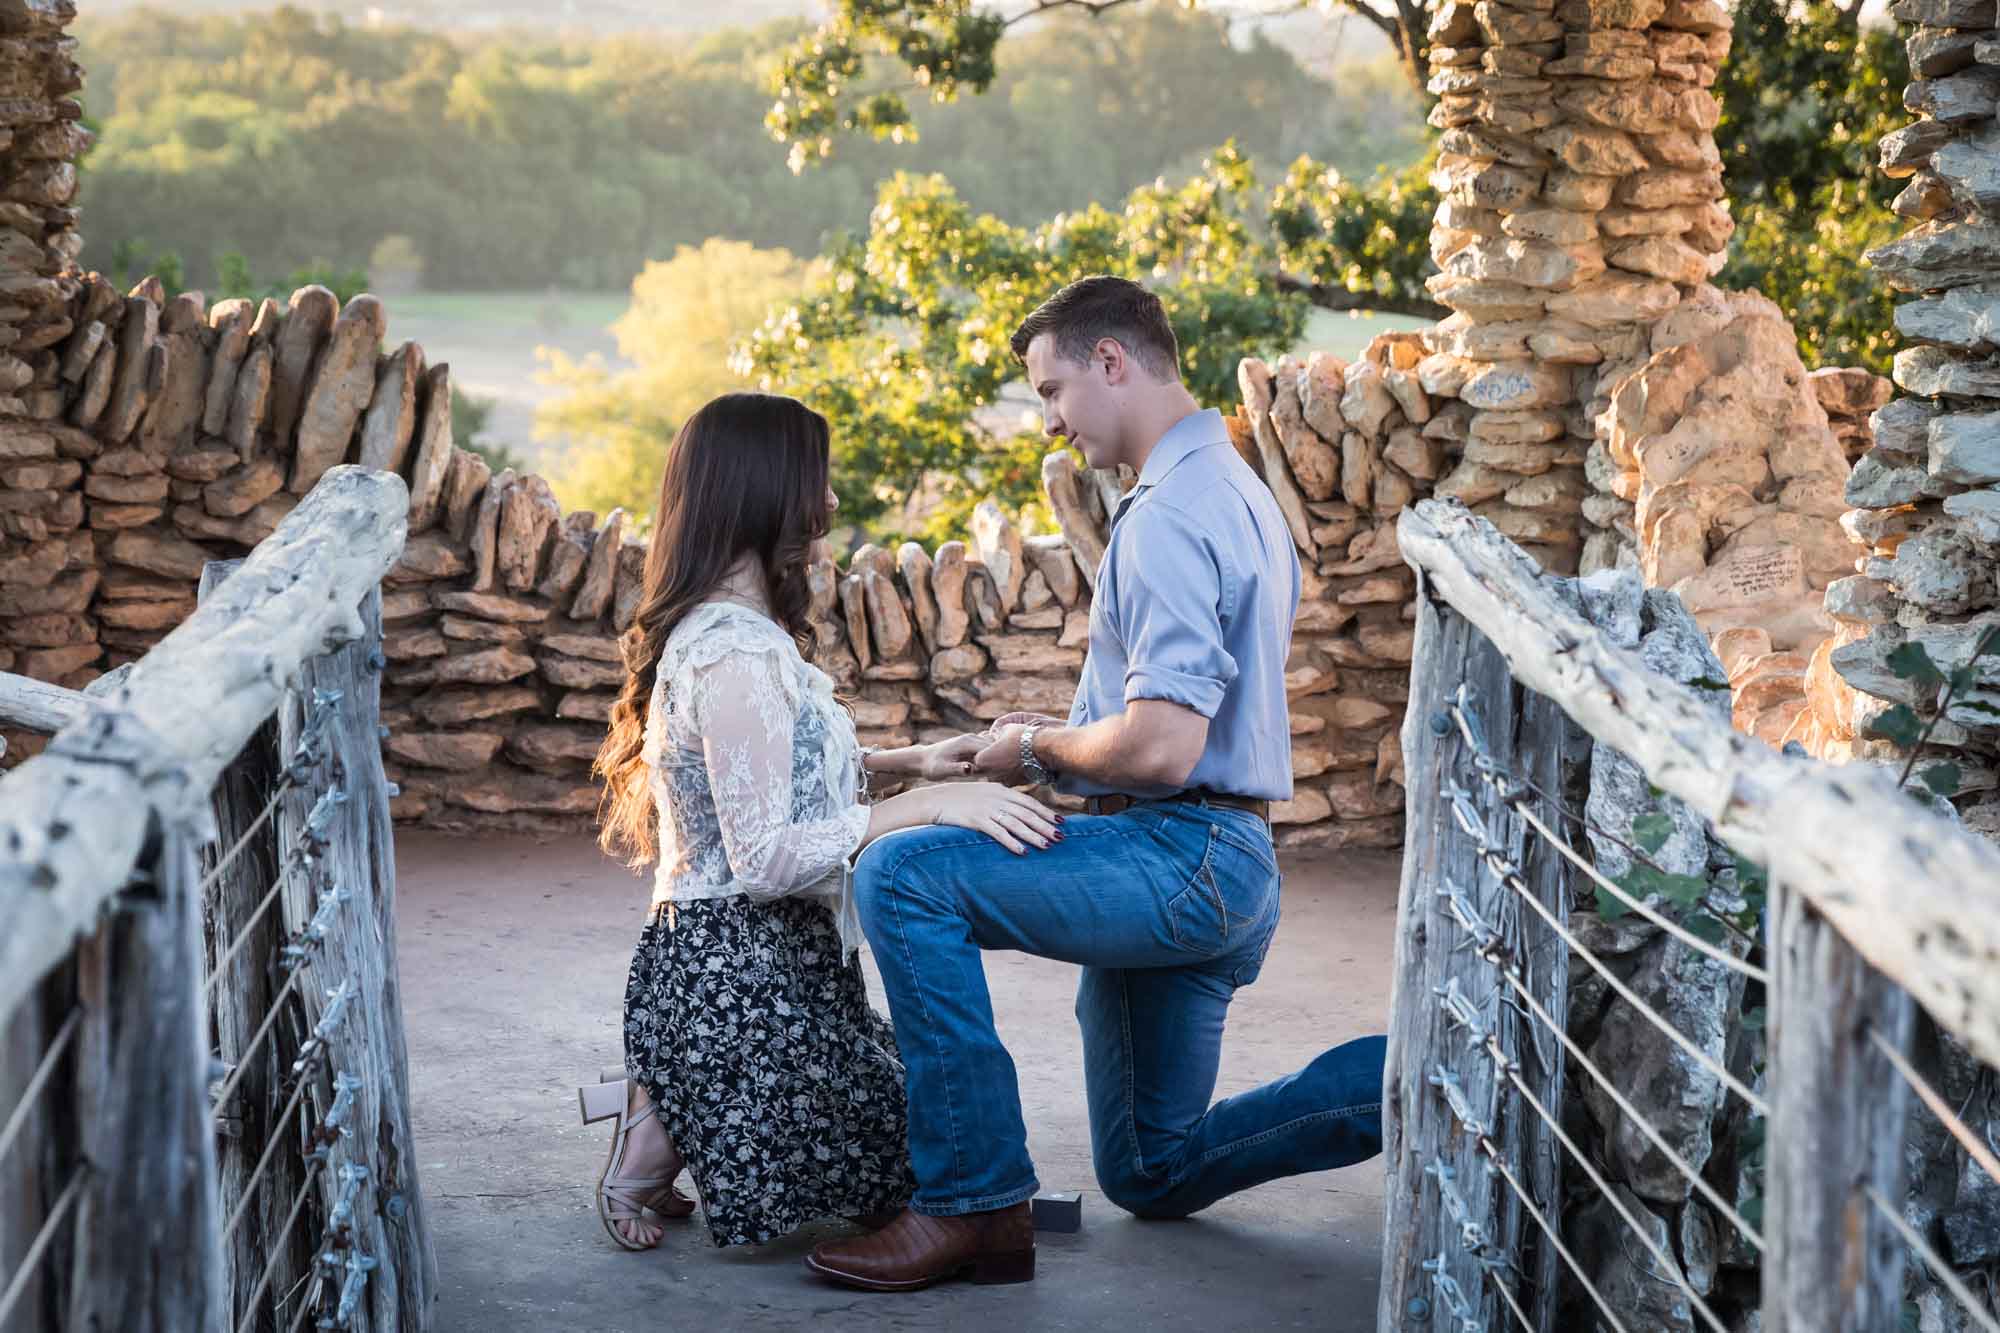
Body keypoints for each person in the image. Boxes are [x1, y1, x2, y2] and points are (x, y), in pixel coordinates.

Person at [806, 276, 1387, 1292]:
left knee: (902, 876)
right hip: (1217, 853)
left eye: (1052, 390)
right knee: (1150, 1169)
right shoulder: (1235, 484)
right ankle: (1421, 1073)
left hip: (1178, 852)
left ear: (1111, 361)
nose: (1049, 422)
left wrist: (1034, 745)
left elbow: (1160, 747)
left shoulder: (1166, 515)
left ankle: (971, 1202)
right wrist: (1045, 749)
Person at [581, 391, 1062, 1252]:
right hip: (733, 974)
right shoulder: (733, 648)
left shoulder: (742, 635)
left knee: (939, 1144)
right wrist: (925, 807)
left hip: (773, 961)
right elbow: (764, 857)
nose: (830, 504)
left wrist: (912, 762)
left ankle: (677, 1098)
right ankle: (660, 1123)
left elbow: (773, 783)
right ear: (761, 491)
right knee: (921, 1174)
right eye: (817, 481)